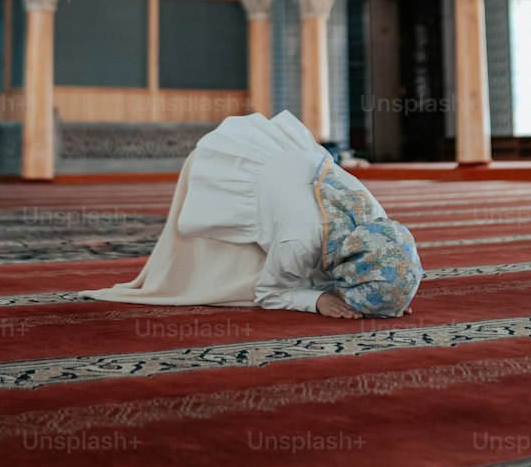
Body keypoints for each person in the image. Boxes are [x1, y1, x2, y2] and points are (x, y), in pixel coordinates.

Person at [79, 110, 424, 319]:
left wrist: (390, 297)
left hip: (286, 168)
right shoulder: (298, 238)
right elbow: (270, 293)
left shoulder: (376, 218)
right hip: (227, 167)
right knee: (234, 275)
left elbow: (387, 261)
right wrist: (317, 299)